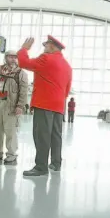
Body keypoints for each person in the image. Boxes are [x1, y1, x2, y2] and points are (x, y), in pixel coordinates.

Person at [18, 35, 72, 176]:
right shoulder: (67, 65)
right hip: (59, 105)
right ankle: (55, 163)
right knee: (56, 135)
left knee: (42, 135)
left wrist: (24, 49)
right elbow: (67, 88)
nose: (44, 47)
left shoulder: (46, 58)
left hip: (44, 103)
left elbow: (24, 63)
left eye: (46, 45)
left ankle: (41, 167)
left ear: (52, 46)